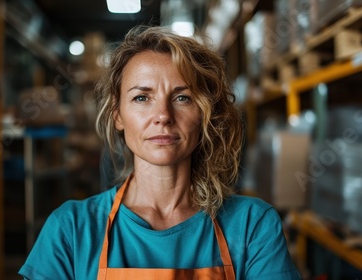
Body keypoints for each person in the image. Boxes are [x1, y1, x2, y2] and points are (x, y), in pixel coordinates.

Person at [19, 25, 300, 280]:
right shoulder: (71, 229)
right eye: (142, 97)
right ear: (117, 115)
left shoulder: (252, 227)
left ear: (205, 114)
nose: (163, 116)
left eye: (182, 97)